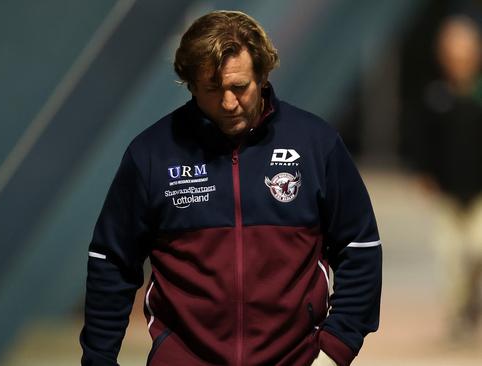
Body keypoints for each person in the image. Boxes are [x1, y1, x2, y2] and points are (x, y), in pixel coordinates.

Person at [80, 10, 382, 366]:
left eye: (239, 87)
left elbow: (359, 247)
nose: (227, 103)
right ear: (190, 84)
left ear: (263, 76)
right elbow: (111, 262)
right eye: (212, 89)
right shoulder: (151, 154)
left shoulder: (317, 144)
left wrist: (336, 346)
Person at [407, 14, 482, 342]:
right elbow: (422, 140)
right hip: (448, 196)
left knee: (477, 247)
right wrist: (424, 174)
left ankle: (471, 297)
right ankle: (460, 312)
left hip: (480, 194)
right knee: (450, 258)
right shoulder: (434, 94)